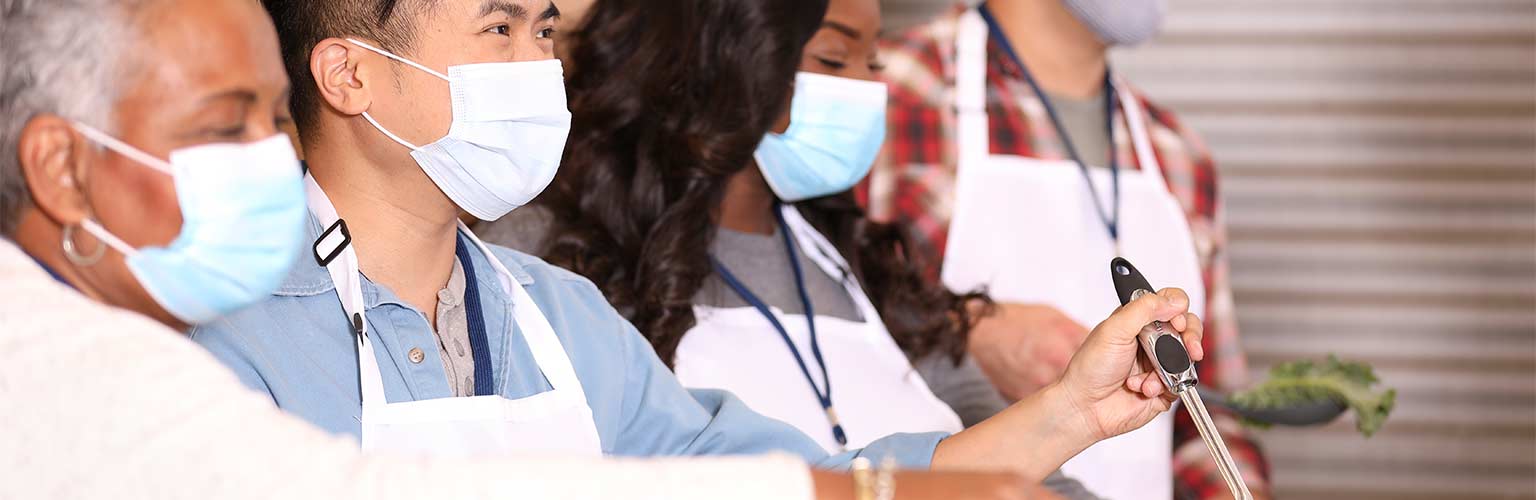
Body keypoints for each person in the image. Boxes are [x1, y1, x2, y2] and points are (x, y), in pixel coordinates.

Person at [0, 0, 916, 498]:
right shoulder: (194, 332)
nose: (537, 68)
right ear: (350, 74)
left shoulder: (557, 316)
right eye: (498, 28)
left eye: (545, 31)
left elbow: (766, 470)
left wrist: (1062, 413)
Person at [528, 0, 1205, 486]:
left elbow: (1016, 468)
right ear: (727, 56)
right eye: (833, 57)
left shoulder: (864, 269)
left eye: (873, 61)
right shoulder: (553, 274)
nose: (869, 90)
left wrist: (1074, 412)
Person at [867, 0, 1271, 498]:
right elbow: (810, 342)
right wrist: (962, 332)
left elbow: (1210, 415)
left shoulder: (1179, 156)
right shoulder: (887, 93)